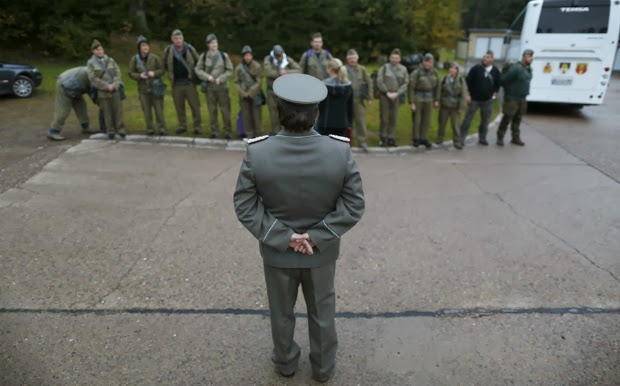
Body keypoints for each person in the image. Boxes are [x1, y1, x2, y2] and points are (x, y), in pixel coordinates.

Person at [233, 73, 365, 383]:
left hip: (277, 252)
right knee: (322, 312)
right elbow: (354, 205)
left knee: (281, 313)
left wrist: (285, 237)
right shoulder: (340, 151)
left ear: (278, 111)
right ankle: (322, 367)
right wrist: (315, 237)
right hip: (321, 252)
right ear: (316, 113)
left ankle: (286, 363)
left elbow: (245, 205)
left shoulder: (257, 152)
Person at [163, 29, 202, 135]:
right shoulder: (168, 50)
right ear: (172, 40)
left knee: (195, 106)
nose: (178, 40)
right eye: (176, 38)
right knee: (179, 107)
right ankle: (182, 125)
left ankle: (197, 126)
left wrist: (196, 74)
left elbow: (199, 61)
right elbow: (164, 64)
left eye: (180, 38)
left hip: (189, 83)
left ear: (183, 39)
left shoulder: (189, 48)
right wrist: (170, 76)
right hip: (176, 84)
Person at [196, 33, 234, 139]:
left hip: (222, 87)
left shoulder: (223, 55)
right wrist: (207, 77)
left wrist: (221, 79)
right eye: (212, 43)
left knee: (225, 110)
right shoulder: (203, 56)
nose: (214, 44)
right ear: (208, 45)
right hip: (210, 88)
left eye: (215, 42)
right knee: (212, 110)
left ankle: (227, 131)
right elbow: (198, 69)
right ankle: (215, 131)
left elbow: (230, 70)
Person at [459, 50, 501, 146]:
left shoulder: (496, 71)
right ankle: (461, 138)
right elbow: (467, 81)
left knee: (485, 120)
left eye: (487, 57)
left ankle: (482, 138)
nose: (485, 59)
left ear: (492, 59)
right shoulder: (476, 68)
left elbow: (497, 85)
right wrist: (468, 95)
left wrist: (494, 96)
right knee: (468, 119)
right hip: (474, 99)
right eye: (484, 57)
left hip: (487, 100)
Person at [128, 35, 167, 136]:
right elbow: (130, 73)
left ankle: (162, 128)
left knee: (159, 110)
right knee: (146, 111)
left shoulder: (155, 58)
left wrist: (154, 73)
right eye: (143, 45)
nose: (145, 47)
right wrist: (139, 75)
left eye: (147, 45)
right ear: (139, 47)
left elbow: (162, 70)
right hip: (143, 89)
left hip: (155, 88)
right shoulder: (134, 59)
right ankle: (150, 128)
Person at [87, 40, 125, 140]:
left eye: (101, 49)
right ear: (93, 51)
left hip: (114, 89)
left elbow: (118, 73)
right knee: (106, 112)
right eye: (97, 50)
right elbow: (93, 78)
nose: (99, 51)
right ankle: (110, 131)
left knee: (118, 110)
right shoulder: (91, 63)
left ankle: (120, 129)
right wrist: (106, 86)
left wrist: (114, 85)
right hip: (102, 91)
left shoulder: (110, 60)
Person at [47, 66, 99, 141]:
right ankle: (53, 131)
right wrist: (99, 102)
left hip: (75, 87)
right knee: (63, 110)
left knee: (81, 106)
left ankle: (86, 127)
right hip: (64, 84)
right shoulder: (93, 74)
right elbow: (93, 91)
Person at [497, 49, 534, 146]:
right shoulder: (516, 68)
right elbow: (504, 80)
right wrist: (509, 90)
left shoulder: (528, 69)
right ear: (524, 57)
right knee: (507, 118)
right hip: (512, 98)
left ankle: (515, 137)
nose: (531, 58)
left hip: (522, 98)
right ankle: (500, 137)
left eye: (531, 56)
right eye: (529, 56)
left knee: (518, 119)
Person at [264, 45, 301, 135]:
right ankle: (275, 132)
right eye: (278, 56)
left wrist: (286, 73)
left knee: (286, 111)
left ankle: (286, 131)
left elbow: (299, 69)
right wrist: (279, 73)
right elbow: (268, 72)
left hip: (285, 91)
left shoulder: (287, 59)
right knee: (273, 113)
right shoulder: (268, 59)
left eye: (281, 55)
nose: (280, 58)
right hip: (272, 91)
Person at [376, 48, 409, 147]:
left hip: (396, 96)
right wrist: (386, 92)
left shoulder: (403, 69)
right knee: (384, 118)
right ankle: (383, 138)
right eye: (393, 58)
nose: (394, 60)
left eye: (396, 58)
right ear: (390, 58)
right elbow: (379, 80)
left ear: (399, 59)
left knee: (393, 118)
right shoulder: (385, 68)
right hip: (385, 96)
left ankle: (391, 137)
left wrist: (397, 93)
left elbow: (406, 83)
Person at [408, 53, 440, 149]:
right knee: (417, 119)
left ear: (432, 62)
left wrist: (437, 99)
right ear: (422, 62)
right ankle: (416, 138)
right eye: (426, 61)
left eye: (430, 62)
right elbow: (411, 88)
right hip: (418, 97)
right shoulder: (416, 72)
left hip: (429, 98)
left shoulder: (435, 72)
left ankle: (423, 137)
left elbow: (438, 87)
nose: (427, 64)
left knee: (426, 119)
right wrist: (412, 102)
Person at [345, 49, 373, 151]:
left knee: (360, 121)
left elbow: (369, 82)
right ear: (347, 60)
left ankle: (362, 142)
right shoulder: (343, 69)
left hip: (359, 99)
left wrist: (370, 97)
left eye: (354, 58)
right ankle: (346, 141)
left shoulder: (362, 69)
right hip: (346, 99)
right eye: (350, 58)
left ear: (357, 58)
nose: (353, 60)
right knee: (347, 121)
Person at [317, 58, 353, 138]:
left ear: (329, 69)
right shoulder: (348, 86)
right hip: (342, 123)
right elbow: (350, 107)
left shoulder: (323, 85)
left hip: (325, 122)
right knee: (339, 148)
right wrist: (349, 123)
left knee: (324, 148)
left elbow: (319, 105)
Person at [234, 45, 263, 138]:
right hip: (243, 95)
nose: (248, 57)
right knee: (246, 115)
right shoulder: (239, 68)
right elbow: (236, 82)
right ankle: (249, 133)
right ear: (243, 56)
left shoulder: (257, 66)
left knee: (256, 115)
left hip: (255, 94)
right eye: (246, 55)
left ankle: (258, 133)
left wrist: (251, 92)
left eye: (249, 55)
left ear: (252, 56)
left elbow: (259, 81)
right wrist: (243, 93)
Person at [437, 62, 468, 149]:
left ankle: (457, 141)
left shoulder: (461, 80)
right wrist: (438, 101)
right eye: (451, 68)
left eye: (454, 68)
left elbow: (463, 94)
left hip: (455, 106)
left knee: (455, 125)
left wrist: (462, 106)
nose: (452, 70)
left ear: (457, 70)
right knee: (442, 123)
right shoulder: (444, 78)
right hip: (445, 105)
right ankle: (440, 138)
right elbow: (440, 91)